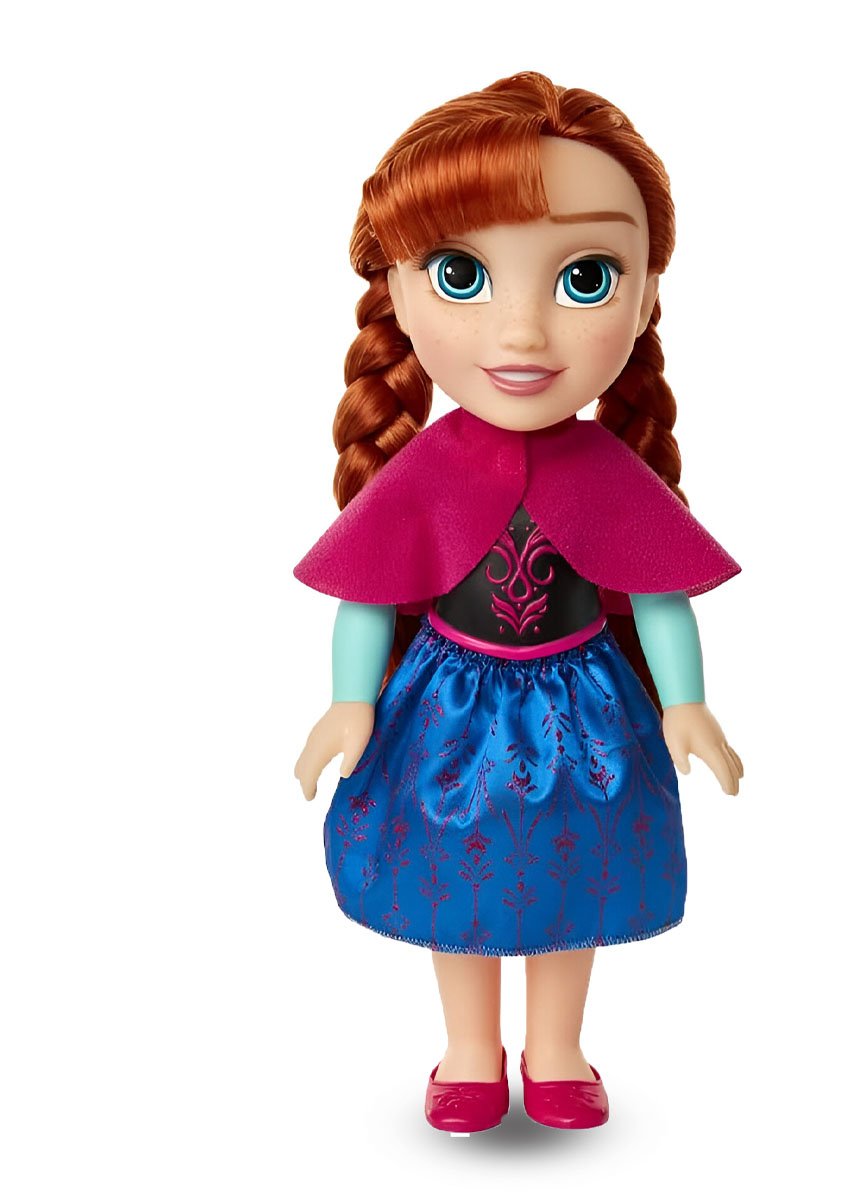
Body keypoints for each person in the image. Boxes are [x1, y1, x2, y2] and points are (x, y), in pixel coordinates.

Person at [292, 71, 744, 1134]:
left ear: (645, 295)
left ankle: (556, 1049)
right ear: (397, 291)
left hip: (584, 707)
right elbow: (369, 595)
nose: (525, 333)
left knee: (570, 878)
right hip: (448, 708)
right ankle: (467, 1050)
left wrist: (686, 704)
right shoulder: (424, 470)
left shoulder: (608, 472)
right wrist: (349, 704)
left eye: (586, 277)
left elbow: (659, 594)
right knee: (454, 880)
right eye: (462, 274)